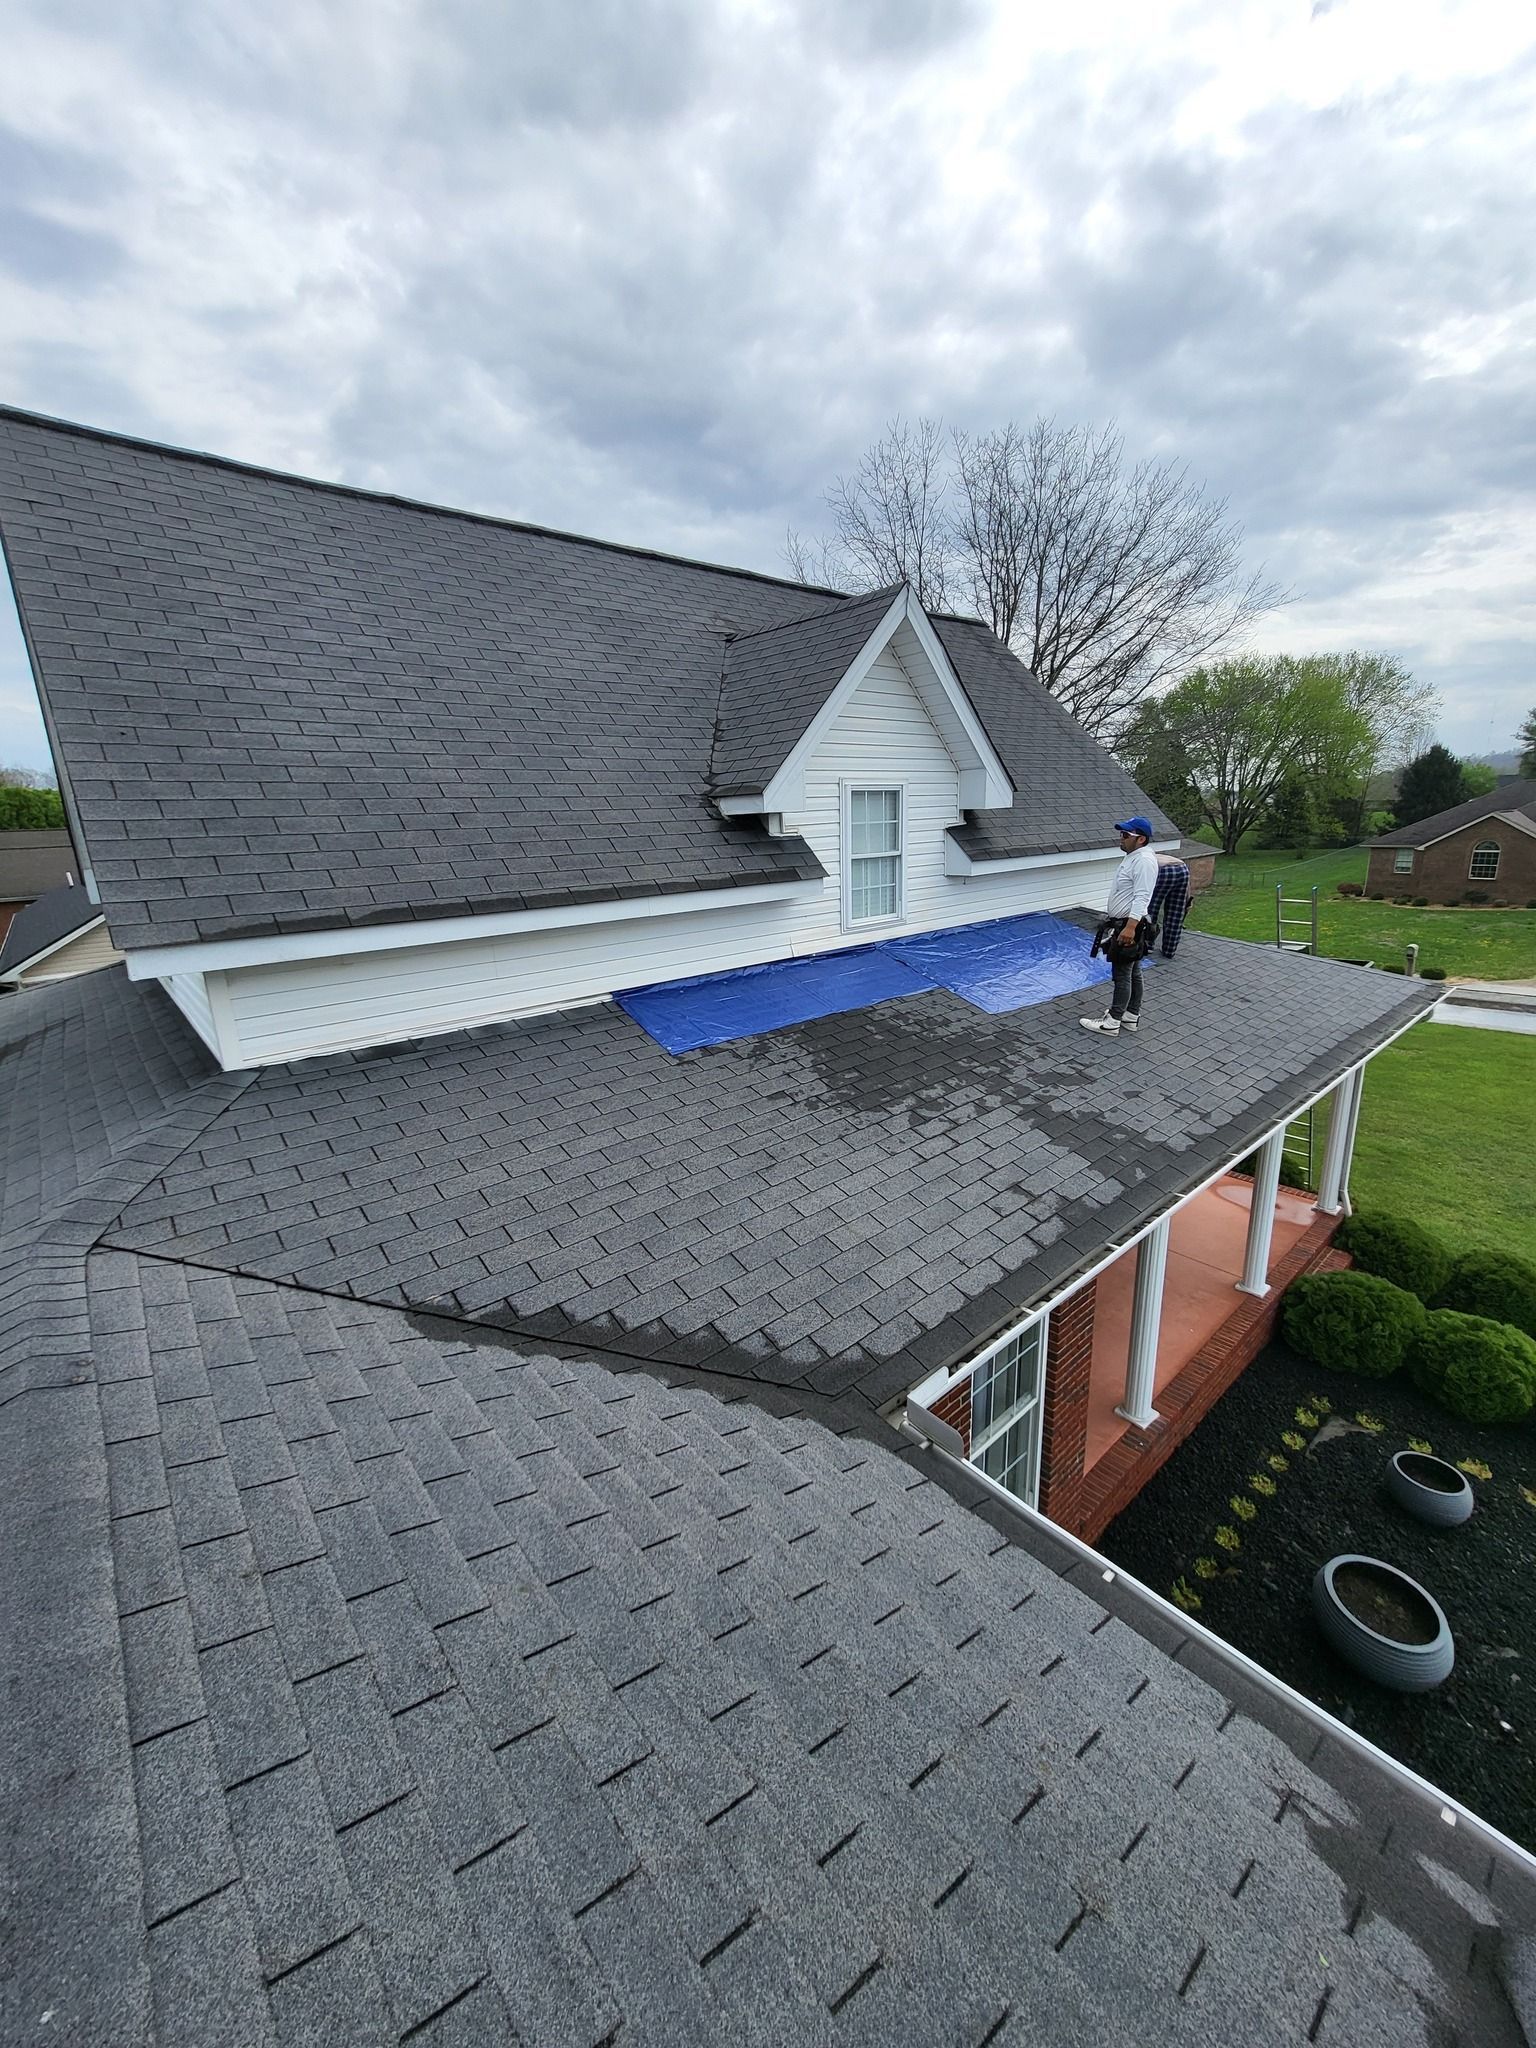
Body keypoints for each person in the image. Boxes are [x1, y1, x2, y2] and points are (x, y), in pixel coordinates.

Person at [1081, 817, 1159, 1035]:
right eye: (1121, 834)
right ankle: (1130, 1016)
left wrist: (1130, 928)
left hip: (1129, 924)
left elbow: (1142, 896)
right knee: (1133, 972)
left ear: (1141, 839)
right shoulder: (1135, 857)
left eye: (1126, 835)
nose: (1121, 838)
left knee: (1122, 973)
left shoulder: (1143, 861)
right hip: (1127, 922)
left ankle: (1113, 1021)